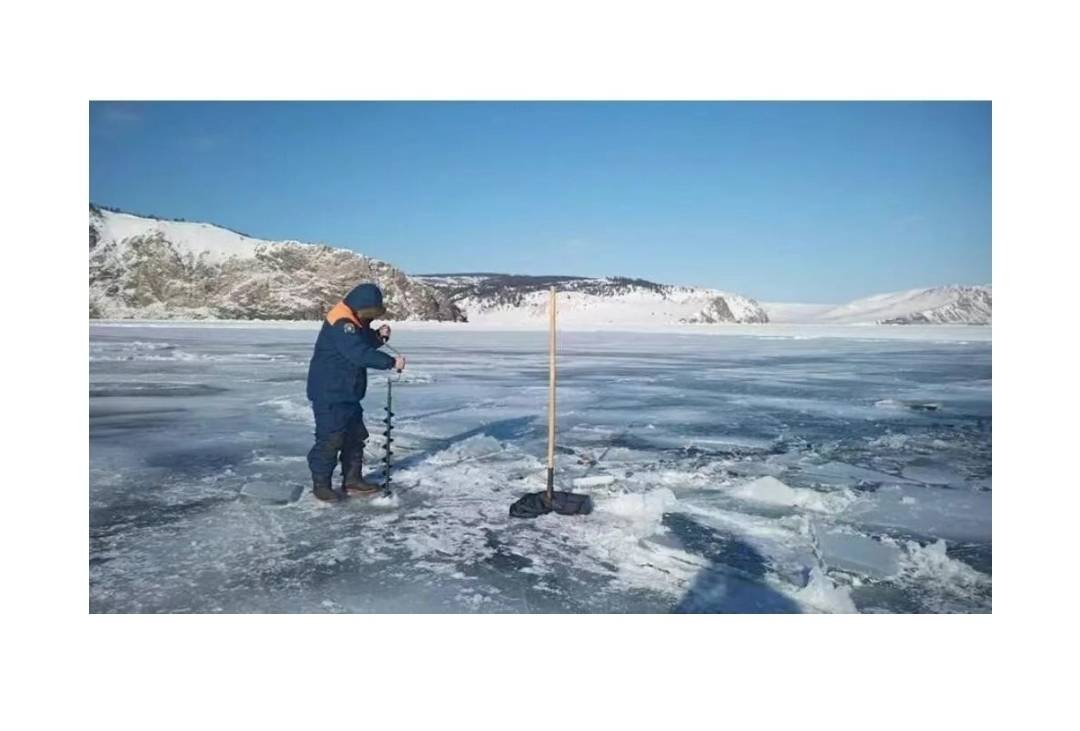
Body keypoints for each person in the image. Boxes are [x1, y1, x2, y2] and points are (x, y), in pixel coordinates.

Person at [306, 283, 406, 501]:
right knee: (331, 438)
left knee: (354, 436)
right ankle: (321, 484)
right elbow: (358, 352)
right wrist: (390, 362)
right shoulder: (342, 323)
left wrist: (378, 337)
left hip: (347, 392)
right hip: (329, 392)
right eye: (369, 314)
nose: (369, 318)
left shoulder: (351, 319)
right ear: (361, 307)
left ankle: (352, 480)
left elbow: (361, 340)